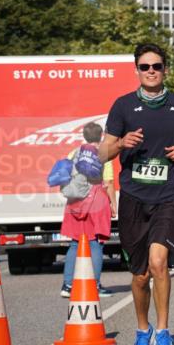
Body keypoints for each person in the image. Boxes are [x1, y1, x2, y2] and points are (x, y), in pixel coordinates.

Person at [99, 43, 174, 345]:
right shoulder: (123, 106)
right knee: (140, 275)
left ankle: (164, 332)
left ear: (165, 69)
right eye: (145, 67)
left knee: (159, 263)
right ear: (137, 70)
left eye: (156, 66)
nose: (151, 71)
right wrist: (120, 144)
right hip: (134, 198)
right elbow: (103, 153)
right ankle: (143, 331)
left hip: (169, 194)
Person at [60, 122, 116, 298]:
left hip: (75, 202)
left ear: (84, 136)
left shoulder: (74, 153)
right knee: (96, 243)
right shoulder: (103, 154)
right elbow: (108, 183)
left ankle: (68, 285)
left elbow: (67, 176)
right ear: (101, 136)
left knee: (75, 243)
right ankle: (95, 285)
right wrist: (113, 204)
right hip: (96, 202)